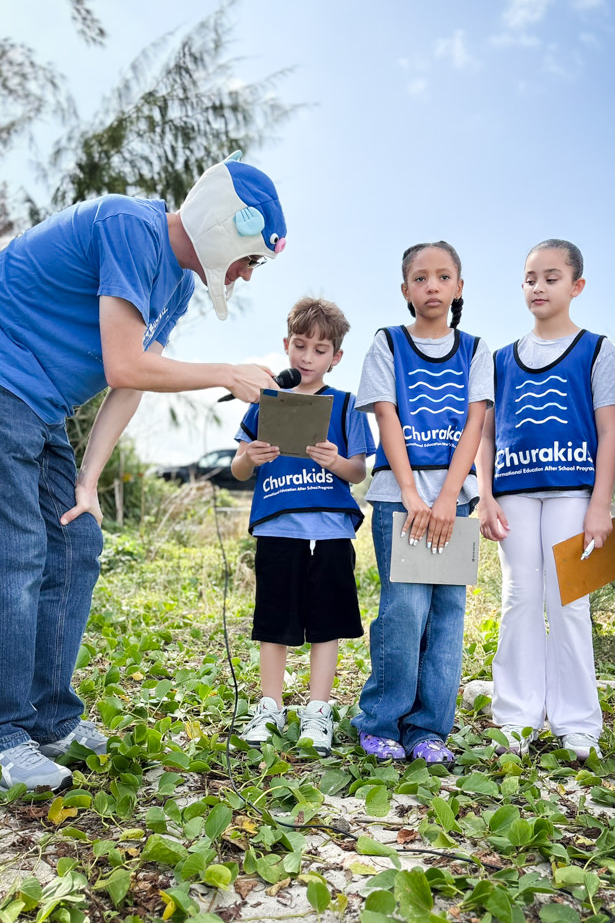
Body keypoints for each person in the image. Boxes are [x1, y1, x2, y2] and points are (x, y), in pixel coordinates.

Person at [0, 152, 287, 791]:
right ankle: (4, 734)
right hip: (5, 384)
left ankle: (49, 720)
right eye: (251, 258)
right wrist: (224, 372)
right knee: (19, 554)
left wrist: (88, 481)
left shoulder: (178, 284)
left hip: (40, 409)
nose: (246, 273)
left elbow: (126, 386)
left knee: (76, 539)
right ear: (225, 225)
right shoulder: (130, 225)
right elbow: (126, 364)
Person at [478, 239, 615, 761]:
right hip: (514, 495)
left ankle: (578, 723)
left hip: (574, 494)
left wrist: (599, 504)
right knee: (519, 599)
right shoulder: (498, 358)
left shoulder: (597, 349)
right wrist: (486, 495)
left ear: (576, 286)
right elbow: (485, 436)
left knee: (570, 603)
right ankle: (516, 719)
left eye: (550, 277)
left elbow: (609, 433)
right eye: (529, 278)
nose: (538, 286)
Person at [351, 241, 491, 765]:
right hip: (397, 499)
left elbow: (475, 422)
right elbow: (386, 417)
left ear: (459, 286)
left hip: (454, 499)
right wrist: (412, 494)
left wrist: (449, 496)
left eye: (443, 277)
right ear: (406, 290)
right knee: (405, 610)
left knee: (447, 613)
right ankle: (381, 720)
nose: (432, 286)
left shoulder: (475, 349)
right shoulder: (387, 343)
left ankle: (428, 728)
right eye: (420, 278)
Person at [231, 297, 375, 756]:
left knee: (326, 623)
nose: (308, 357)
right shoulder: (264, 404)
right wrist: (248, 457)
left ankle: (318, 709)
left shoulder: (347, 404)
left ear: (336, 357)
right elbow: (237, 468)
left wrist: (337, 462)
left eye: (319, 350)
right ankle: (269, 705)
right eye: (301, 346)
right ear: (287, 345)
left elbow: (358, 471)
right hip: (278, 528)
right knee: (274, 622)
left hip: (331, 530)